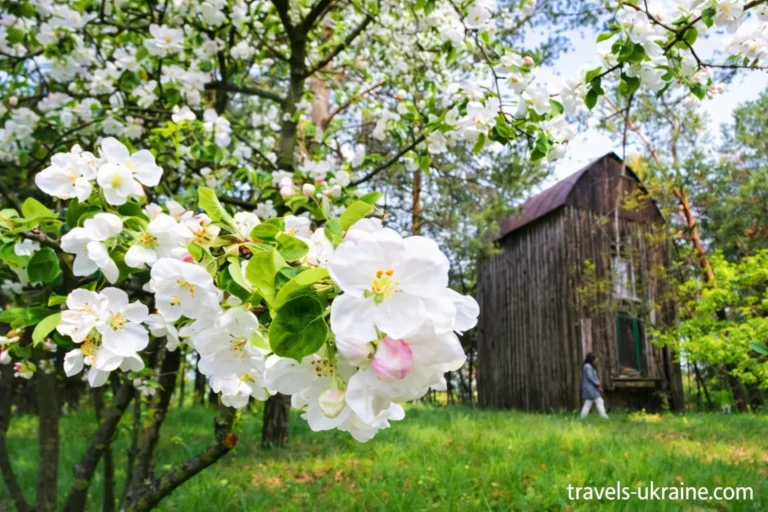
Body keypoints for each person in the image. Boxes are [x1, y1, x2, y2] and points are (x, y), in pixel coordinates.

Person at [581, 352, 608, 418]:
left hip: (591, 388)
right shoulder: (588, 366)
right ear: (591, 359)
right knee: (599, 401)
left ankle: (582, 417)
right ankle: (604, 417)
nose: (596, 361)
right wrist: (597, 384)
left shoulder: (589, 366)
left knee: (588, 403)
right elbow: (591, 377)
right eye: (595, 360)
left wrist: (597, 386)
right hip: (591, 388)